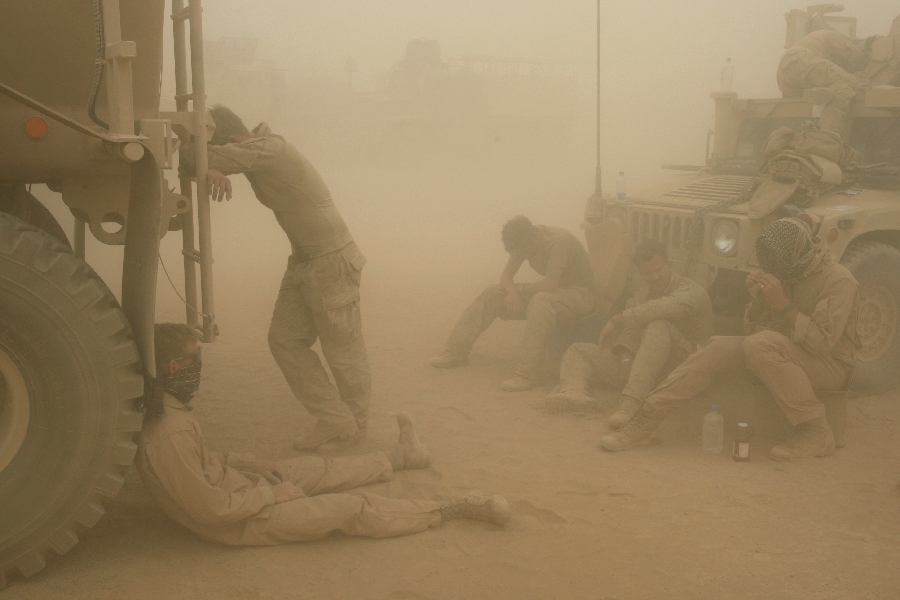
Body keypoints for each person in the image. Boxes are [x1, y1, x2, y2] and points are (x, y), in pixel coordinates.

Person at [135, 323, 511, 547]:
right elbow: (210, 509)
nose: (198, 367)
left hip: (239, 489)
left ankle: (403, 457)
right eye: (193, 359)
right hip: (243, 520)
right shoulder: (168, 431)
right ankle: (451, 509)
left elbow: (200, 466)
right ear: (172, 367)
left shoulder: (168, 409)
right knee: (350, 508)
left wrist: (253, 465)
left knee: (319, 469)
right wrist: (271, 495)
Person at [180, 105, 370, 450]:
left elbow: (194, 157)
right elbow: (195, 160)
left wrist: (211, 162)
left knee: (342, 349)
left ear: (234, 138)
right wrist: (212, 166)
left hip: (331, 261)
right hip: (305, 261)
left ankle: (357, 425)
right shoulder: (256, 151)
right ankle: (336, 420)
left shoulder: (270, 149)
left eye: (224, 148)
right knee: (284, 339)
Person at [599, 218, 860, 461]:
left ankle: (816, 431)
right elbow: (755, 331)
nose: (772, 266)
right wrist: (758, 298)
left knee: (760, 345)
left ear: (794, 255)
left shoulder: (837, 280)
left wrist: (782, 302)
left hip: (830, 364)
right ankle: (646, 419)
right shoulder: (787, 271)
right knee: (718, 347)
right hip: (782, 351)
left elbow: (821, 343)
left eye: (776, 261)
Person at [545, 240, 713, 429]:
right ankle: (574, 393)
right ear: (640, 274)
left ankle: (631, 404)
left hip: (684, 371)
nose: (654, 277)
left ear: (670, 265)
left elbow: (661, 308)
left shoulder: (692, 291)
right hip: (645, 371)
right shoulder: (640, 297)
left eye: (659, 270)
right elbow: (631, 333)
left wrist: (618, 319)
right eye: (648, 273)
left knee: (659, 326)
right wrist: (626, 361)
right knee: (579, 350)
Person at [429, 215, 595, 392]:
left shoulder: (558, 242)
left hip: (580, 294)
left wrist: (519, 291)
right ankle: (456, 351)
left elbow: (549, 285)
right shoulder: (522, 241)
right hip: (555, 294)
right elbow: (505, 277)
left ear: (534, 236)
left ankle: (527, 374)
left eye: (525, 250)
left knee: (541, 301)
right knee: (492, 293)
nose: (523, 254)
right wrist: (511, 292)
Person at [777, 28, 868, 135]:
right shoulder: (836, 37)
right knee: (848, 81)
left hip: (785, 77)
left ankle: (821, 91)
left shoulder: (816, 38)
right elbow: (855, 58)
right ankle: (828, 135)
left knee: (833, 82)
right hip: (804, 61)